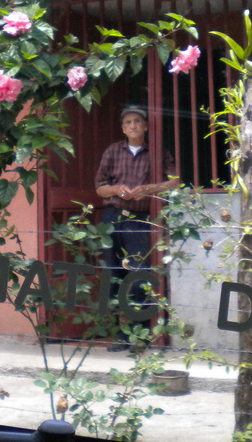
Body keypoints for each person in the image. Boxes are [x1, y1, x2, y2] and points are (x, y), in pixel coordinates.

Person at [94, 105, 179, 350]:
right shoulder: (113, 151)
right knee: (113, 274)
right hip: (112, 217)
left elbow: (174, 181)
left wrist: (148, 189)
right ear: (123, 128)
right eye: (128, 122)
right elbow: (99, 187)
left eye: (137, 122)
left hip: (139, 220)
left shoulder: (157, 152)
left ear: (145, 126)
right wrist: (115, 189)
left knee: (139, 274)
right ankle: (120, 335)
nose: (132, 125)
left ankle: (138, 333)